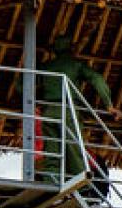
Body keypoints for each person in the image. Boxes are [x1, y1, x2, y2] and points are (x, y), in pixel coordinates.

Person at [37, 35, 116, 183]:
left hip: (48, 111)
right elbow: (97, 79)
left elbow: (21, 85)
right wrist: (109, 105)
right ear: (71, 49)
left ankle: (51, 180)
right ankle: (81, 185)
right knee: (74, 148)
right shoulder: (76, 65)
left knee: (51, 149)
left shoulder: (46, 66)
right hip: (68, 111)